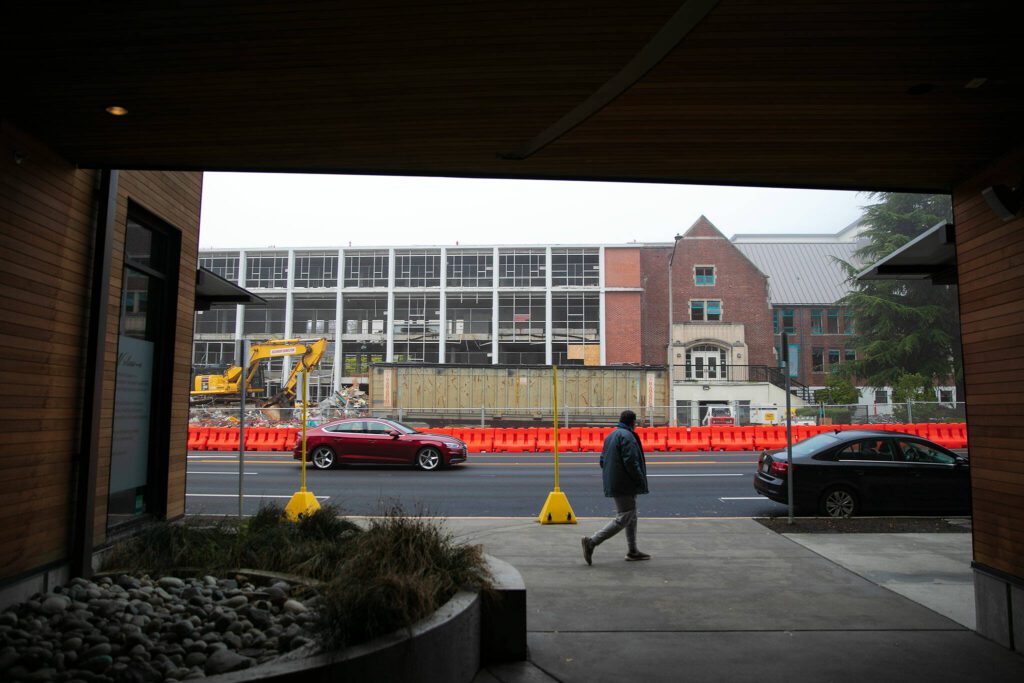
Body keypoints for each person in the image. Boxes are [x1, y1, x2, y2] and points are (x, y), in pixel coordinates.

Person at [581, 409, 650, 564]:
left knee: (631, 516)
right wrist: (639, 479)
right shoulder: (627, 436)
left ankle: (632, 551)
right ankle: (592, 542)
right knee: (625, 516)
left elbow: (602, 461)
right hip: (625, 483)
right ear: (633, 422)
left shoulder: (611, 436)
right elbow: (631, 462)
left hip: (616, 481)